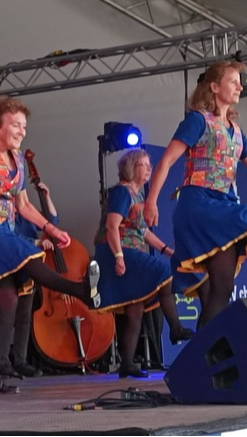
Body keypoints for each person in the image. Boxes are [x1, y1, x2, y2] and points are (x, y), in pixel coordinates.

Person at [0, 96, 100, 395]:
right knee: (27, 255)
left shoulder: (18, 160)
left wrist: (50, 228)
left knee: (8, 302)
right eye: (15, 125)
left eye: (24, 126)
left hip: (1, 231)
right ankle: (80, 290)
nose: (22, 131)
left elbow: (23, 204)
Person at [144, 61, 247, 328]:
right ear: (214, 87)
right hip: (200, 205)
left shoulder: (237, 131)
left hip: (224, 206)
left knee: (221, 289)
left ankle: (203, 352)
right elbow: (167, 161)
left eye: (240, 82)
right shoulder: (198, 121)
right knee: (220, 289)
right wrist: (151, 201)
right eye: (233, 82)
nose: (240, 87)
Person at [94, 148, 193, 378]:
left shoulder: (138, 196)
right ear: (130, 167)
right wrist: (119, 257)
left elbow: (143, 232)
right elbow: (112, 226)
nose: (149, 168)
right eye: (144, 164)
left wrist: (166, 250)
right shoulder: (121, 191)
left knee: (136, 309)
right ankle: (175, 328)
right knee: (163, 272)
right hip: (118, 251)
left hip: (131, 250)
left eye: (150, 165)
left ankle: (127, 364)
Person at [0, 181, 58, 379]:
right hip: (8, 270)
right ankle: (2, 361)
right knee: (6, 317)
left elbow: (52, 221)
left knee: (24, 319)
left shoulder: (27, 217)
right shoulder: (3, 215)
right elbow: (10, 238)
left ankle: (20, 361)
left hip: (26, 271)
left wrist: (46, 197)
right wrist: (36, 242)